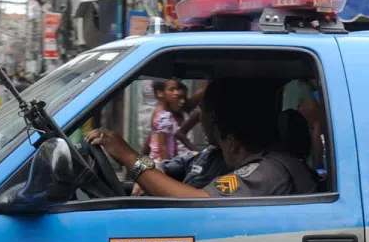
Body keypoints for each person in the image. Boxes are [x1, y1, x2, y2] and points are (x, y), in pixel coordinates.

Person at [86, 78, 317, 198]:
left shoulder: (270, 170)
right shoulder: (214, 156)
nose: (198, 118)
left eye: (202, 112)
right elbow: (170, 167)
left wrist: (129, 157)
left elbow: (198, 200)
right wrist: (145, 170)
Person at [147, 79, 196, 162]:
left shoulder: (158, 112)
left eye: (176, 89)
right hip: (163, 163)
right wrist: (167, 168)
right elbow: (163, 147)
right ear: (160, 93)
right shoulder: (164, 116)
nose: (176, 93)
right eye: (171, 90)